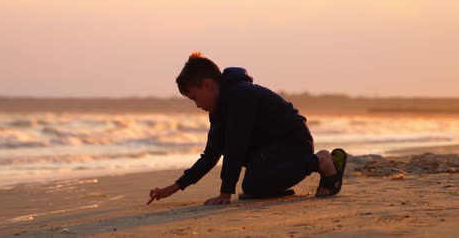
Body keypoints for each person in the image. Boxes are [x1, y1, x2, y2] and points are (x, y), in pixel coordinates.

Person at [147, 52, 347, 206]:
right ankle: (268, 185)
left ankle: (320, 161)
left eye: (194, 98)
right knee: (252, 187)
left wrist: (225, 193)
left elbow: (237, 143)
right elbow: (211, 155)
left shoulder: (240, 95)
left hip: (294, 146)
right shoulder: (219, 110)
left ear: (207, 85)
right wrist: (173, 188)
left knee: (251, 183)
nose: (197, 105)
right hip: (270, 152)